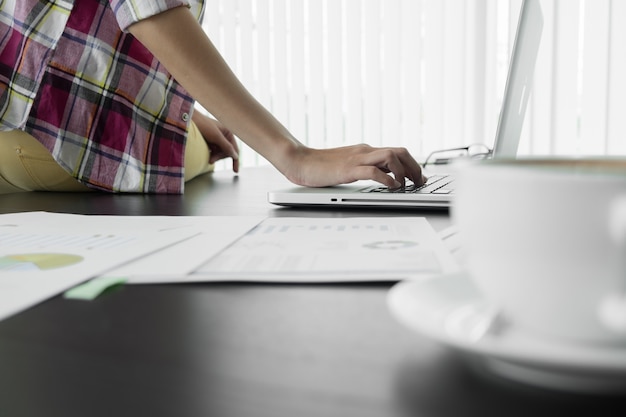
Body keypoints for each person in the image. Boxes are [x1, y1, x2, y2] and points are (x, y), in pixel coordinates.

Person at [0, 0, 425, 194]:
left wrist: (182, 109)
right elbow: (150, 7)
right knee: (190, 151)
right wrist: (294, 155)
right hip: (52, 135)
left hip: (15, 129)